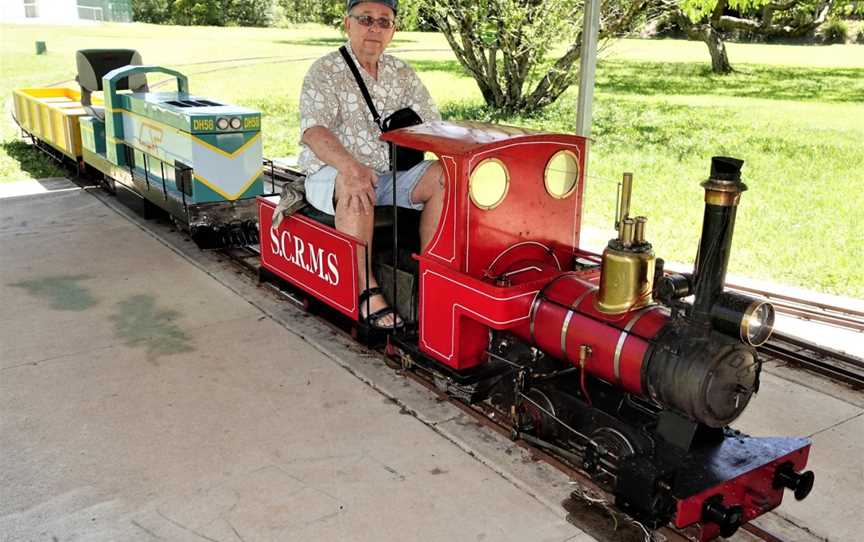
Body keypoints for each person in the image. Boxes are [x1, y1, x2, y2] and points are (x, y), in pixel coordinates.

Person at [298, 0, 445, 329]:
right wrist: (350, 167)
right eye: (366, 19)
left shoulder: (402, 73)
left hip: (389, 175)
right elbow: (314, 131)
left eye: (384, 21)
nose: (375, 28)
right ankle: (364, 289)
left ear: (393, 31)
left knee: (443, 177)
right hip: (331, 175)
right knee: (357, 181)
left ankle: (434, 275)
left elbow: (433, 124)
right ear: (347, 24)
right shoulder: (326, 70)